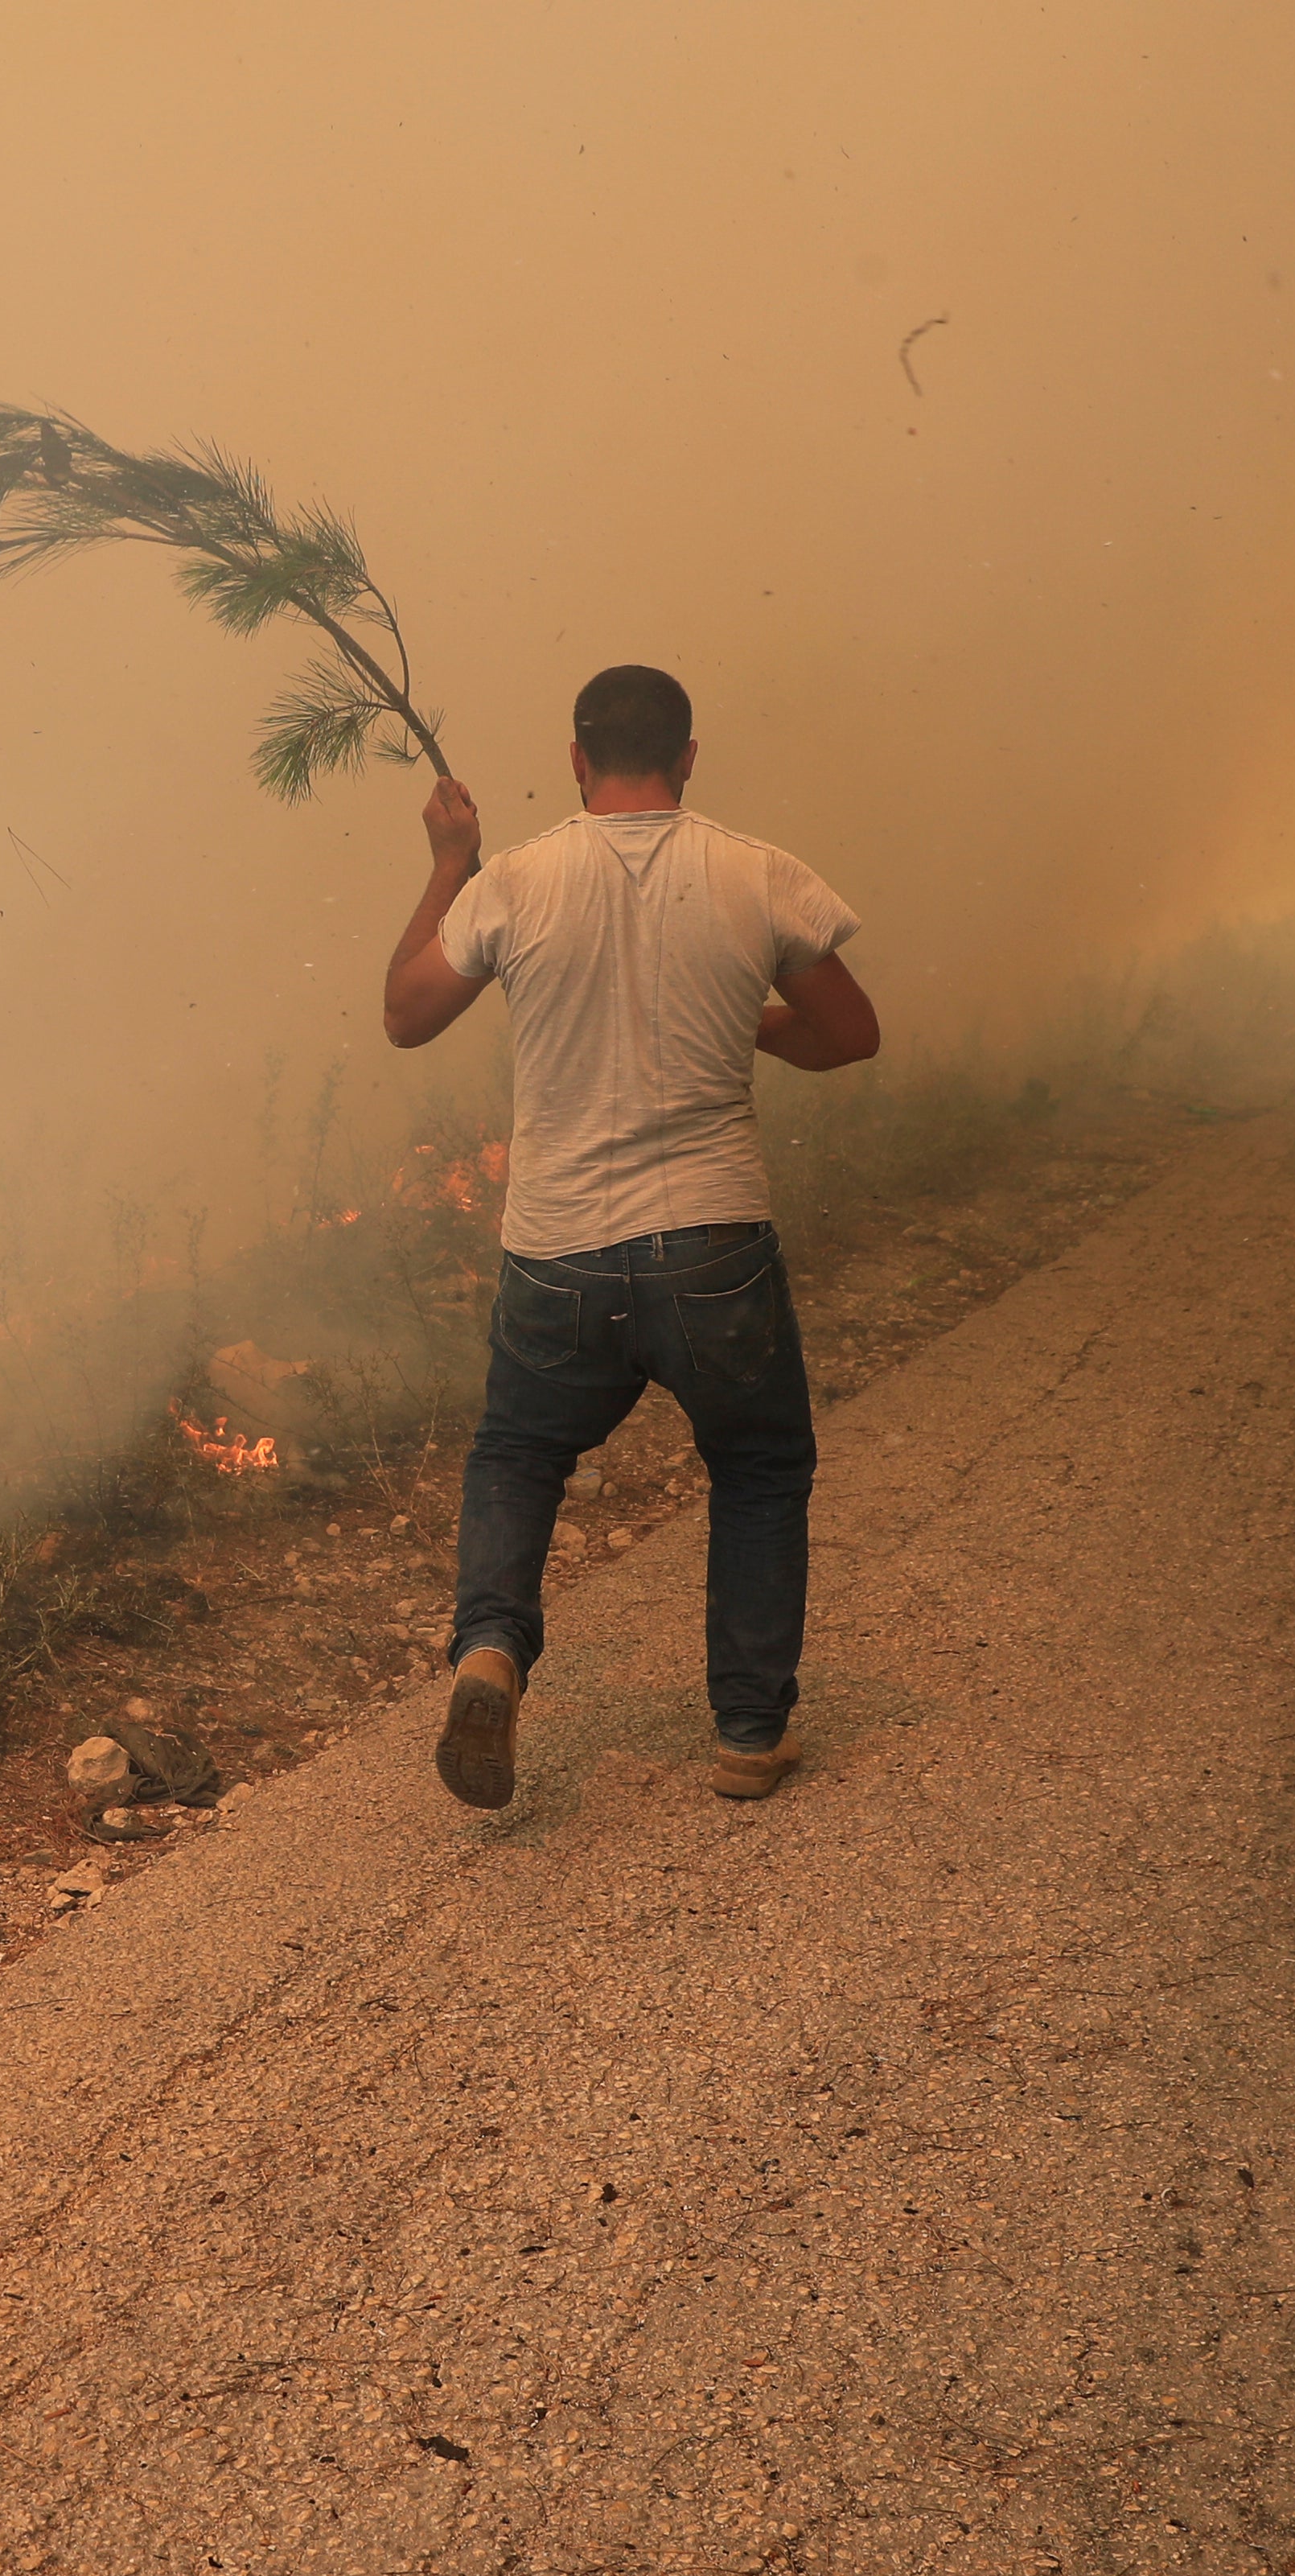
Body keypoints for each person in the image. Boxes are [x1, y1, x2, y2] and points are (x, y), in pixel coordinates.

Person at [380, 663, 880, 1809]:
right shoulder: (756, 874)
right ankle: (750, 1733)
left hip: (557, 1245)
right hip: (712, 1243)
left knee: (519, 1455)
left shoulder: (516, 880)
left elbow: (407, 1014)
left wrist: (448, 865)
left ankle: (492, 1652)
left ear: (575, 759)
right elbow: (849, 1034)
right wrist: (745, 1020)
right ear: (690, 757)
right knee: (757, 1468)